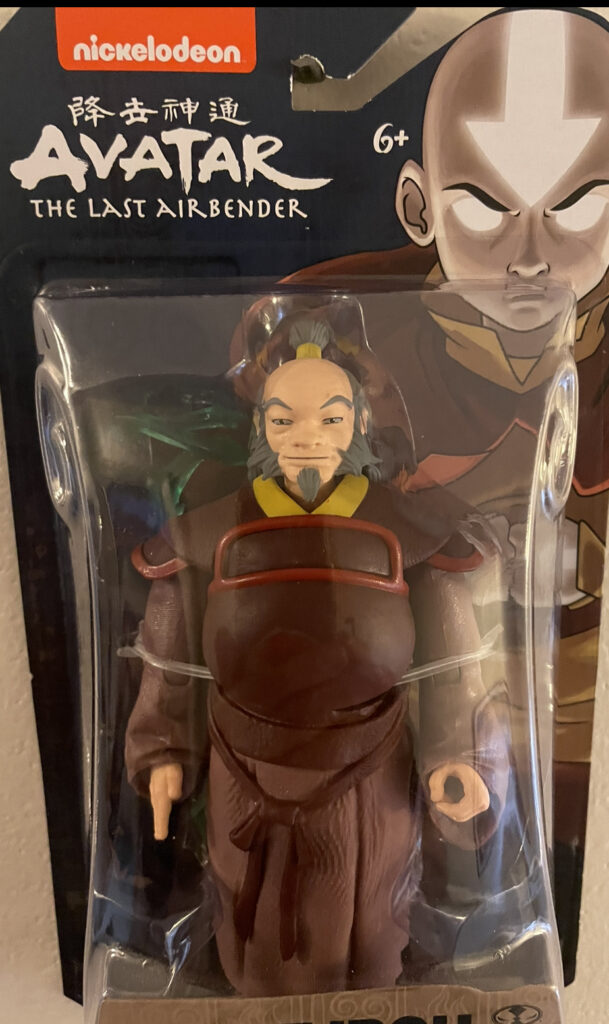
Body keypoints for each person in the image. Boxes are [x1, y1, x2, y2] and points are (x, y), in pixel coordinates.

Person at [125, 317, 509, 996]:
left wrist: (462, 757)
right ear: (262, 429)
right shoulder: (213, 529)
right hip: (244, 765)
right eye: (284, 420)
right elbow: (169, 654)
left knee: (370, 916)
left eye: (330, 419)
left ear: (357, 425)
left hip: (370, 769)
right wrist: (162, 750)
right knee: (246, 916)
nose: (306, 436)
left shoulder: (409, 531)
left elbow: (455, 663)